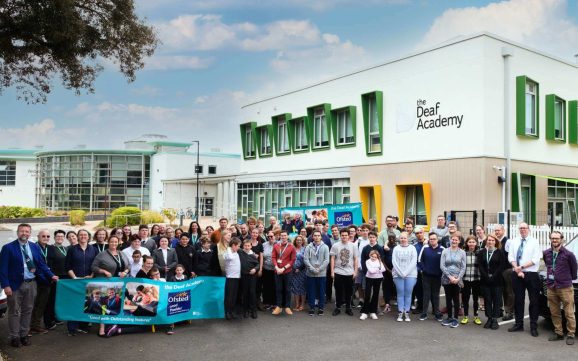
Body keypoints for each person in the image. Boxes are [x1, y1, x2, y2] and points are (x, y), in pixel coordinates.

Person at [0, 224, 58, 348]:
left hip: (31, 283)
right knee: (14, 311)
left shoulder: (34, 247)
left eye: (27, 231)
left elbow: (41, 264)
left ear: (30, 233)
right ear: (17, 232)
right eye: (22, 231)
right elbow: (2, 269)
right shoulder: (8, 248)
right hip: (15, 285)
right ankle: (14, 337)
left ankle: (24, 335)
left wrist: (51, 275)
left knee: (28, 310)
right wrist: (5, 285)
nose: (24, 233)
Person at [507, 222, 542, 337]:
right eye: (521, 228)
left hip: (531, 274)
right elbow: (511, 256)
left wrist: (521, 268)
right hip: (517, 274)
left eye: (524, 228)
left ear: (529, 229)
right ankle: (519, 324)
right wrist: (517, 270)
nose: (522, 230)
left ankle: (533, 326)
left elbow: (536, 259)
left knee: (534, 301)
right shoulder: (514, 241)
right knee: (518, 300)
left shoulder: (534, 242)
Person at [91, 235, 129, 337]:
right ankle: (102, 328)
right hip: (106, 283)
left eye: (116, 242)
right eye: (112, 242)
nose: (114, 244)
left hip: (119, 284)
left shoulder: (122, 253)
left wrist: (125, 272)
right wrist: (104, 271)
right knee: (105, 306)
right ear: (108, 242)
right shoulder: (102, 255)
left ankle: (113, 325)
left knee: (116, 305)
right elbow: (93, 267)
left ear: (119, 242)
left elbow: (128, 266)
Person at [543, 231, 577, 345]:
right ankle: (559, 333)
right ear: (550, 239)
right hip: (551, 287)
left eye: (557, 238)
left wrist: (564, 278)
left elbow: (574, 271)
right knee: (554, 312)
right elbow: (548, 267)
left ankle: (571, 334)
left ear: (561, 239)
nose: (554, 240)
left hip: (565, 287)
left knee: (569, 312)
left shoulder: (569, 254)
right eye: (552, 238)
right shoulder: (546, 253)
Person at [65, 229, 97, 336]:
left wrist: (92, 275)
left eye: (85, 235)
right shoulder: (72, 249)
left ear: (89, 237)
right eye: (81, 235)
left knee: (87, 303)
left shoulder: (94, 249)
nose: (83, 236)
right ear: (78, 237)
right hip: (75, 280)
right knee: (74, 304)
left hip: (89, 281)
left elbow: (96, 265)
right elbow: (68, 266)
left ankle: (83, 326)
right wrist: (74, 278)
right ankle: (72, 328)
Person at [477, 233, 506, 330]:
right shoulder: (482, 252)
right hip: (485, 280)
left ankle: (494, 319)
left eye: (493, 240)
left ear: (496, 242)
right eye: (489, 240)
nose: (490, 242)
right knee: (488, 300)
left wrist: (493, 276)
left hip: (497, 280)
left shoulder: (500, 252)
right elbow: (480, 265)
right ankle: (489, 318)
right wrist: (486, 276)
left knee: (496, 300)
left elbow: (501, 266)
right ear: (486, 241)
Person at [330, 228, 358, 317]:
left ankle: (348, 308)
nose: (344, 237)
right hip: (338, 272)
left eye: (346, 235)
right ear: (340, 235)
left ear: (349, 236)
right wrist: (332, 271)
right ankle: (338, 307)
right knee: (338, 291)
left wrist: (355, 271)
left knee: (349, 291)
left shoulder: (353, 246)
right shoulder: (335, 245)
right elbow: (332, 258)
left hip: (349, 272)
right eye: (342, 235)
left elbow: (356, 259)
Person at [440, 234, 466, 328]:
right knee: (448, 298)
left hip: (457, 279)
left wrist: (458, 278)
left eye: (456, 240)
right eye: (452, 239)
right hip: (447, 278)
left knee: (456, 299)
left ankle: (455, 318)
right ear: (450, 240)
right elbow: (442, 265)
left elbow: (463, 267)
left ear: (459, 241)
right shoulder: (445, 251)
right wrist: (450, 277)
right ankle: (449, 317)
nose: (454, 241)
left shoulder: (462, 252)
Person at [44, 229, 69, 329]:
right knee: (51, 299)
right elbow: (49, 264)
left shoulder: (65, 248)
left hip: (65, 277)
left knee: (59, 299)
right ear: (54, 237)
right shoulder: (50, 248)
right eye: (58, 236)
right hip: (55, 277)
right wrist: (51, 276)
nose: (60, 238)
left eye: (62, 236)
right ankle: (49, 321)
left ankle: (57, 317)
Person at [30, 229, 52, 334]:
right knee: (33, 304)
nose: (46, 238)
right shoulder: (33, 247)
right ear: (38, 236)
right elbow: (36, 266)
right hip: (37, 280)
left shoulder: (48, 248)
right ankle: (29, 326)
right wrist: (45, 277)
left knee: (41, 304)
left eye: (48, 236)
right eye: (43, 236)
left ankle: (35, 325)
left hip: (47, 280)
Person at [392, 232, 418, 322]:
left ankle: (406, 312)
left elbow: (414, 262)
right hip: (398, 275)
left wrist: (406, 273)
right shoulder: (396, 248)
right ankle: (400, 312)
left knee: (408, 294)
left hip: (411, 275)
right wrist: (401, 273)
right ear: (399, 239)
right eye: (401, 238)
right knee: (400, 293)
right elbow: (394, 262)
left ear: (408, 239)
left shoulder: (412, 248)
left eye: (404, 238)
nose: (403, 240)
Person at [418, 232, 444, 322]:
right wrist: (424, 270)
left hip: (437, 277)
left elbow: (444, 263)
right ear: (429, 240)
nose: (432, 240)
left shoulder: (442, 249)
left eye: (434, 239)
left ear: (437, 240)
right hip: (426, 276)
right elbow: (420, 260)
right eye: (431, 239)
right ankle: (424, 313)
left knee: (435, 295)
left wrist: (440, 272)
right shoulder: (425, 248)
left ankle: (437, 313)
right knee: (426, 295)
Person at [304, 230, 330, 316]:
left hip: (321, 273)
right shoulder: (308, 247)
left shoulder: (325, 247)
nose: (316, 237)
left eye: (318, 235)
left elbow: (326, 260)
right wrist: (312, 269)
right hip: (310, 273)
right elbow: (306, 259)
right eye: (315, 235)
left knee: (321, 291)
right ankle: (311, 307)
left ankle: (321, 307)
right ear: (312, 237)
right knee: (311, 291)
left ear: (321, 237)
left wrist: (319, 269)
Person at [271, 230, 296, 315]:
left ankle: (287, 306)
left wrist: (284, 268)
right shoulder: (276, 246)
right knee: (278, 289)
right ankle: (279, 306)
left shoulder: (291, 247)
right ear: (280, 236)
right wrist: (277, 267)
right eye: (282, 236)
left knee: (288, 289)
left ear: (287, 236)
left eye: (285, 235)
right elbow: (273, 257)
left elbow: (293, 260)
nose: (283, 237)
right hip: (277, 271)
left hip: (287, 272)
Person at [461, 235, 482, 325]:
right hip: (465, 279)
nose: (471, 244)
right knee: (465, 298)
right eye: (469, 242)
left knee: (475, 299)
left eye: (473, 242)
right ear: (467, 243)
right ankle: (465, 316)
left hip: (476, 279)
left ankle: (476, 316)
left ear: (476, 243)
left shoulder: (480, 253)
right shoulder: (463, 252)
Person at [361, 250, 386, 320]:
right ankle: (365, 312)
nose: (373, 258)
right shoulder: (368, 261)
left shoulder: (379, 261)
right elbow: (371, 271)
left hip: (378, 278)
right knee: (367, 294)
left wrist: (376, 269)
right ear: (370, 255)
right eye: (372, 256)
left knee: (375, 295)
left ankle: (373, 312)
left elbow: (383, 269)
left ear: (377, 256)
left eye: (375, 257)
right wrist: (378, 269)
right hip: (369, 278)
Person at [239, 240, 260, 319]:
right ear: (243, 246)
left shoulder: (253, 255)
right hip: (243, 276)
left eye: (248, 246)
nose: (247, 247)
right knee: (245, 293)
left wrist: (255, 269)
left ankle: (253, 310)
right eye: (245, 246)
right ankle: (245, 310)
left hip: (252, 276)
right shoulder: (240, 253)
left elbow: (257, 264)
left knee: (252, 293)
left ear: (251, 246)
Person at [224, 239, 241, 320]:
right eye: (238, 246)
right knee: (229, 296)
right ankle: (227, 312)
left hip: (237, 277)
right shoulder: (227, 253)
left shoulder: (236, 253)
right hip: (230, 278)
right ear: (233, 245)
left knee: (234, 296)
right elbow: (230, 257)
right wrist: (228, 247)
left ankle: (232, 311)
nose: (239, 248)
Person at [290, 235, 307, 312]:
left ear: (303, 241)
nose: (299, 241)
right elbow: (290, 259)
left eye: (300, 240)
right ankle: (297, 304)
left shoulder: (305, 249)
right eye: (297, 240)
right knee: (295, 287)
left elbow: (306, 260)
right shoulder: (292, 249)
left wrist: (299, 269)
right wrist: (294, 268)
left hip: (302, 271)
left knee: (302, 288)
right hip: (294, 271)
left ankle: (302, 304)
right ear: (295, 241)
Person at [261, 230, 277, 310]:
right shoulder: (264, 245)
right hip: (266, 269)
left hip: (276, 270)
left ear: (275, 236)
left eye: (271, 236)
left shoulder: (279, 244)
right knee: (267, 287)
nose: (270, 238)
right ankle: (267, 303)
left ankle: (274, 303)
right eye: (268, 236)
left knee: (274, 286)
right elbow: (261, 256)